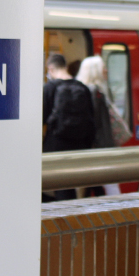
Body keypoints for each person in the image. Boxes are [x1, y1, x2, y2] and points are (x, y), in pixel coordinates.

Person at [42, 53, 95, 200]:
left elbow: (41, 118)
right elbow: (91, 121)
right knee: (69, 185)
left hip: (56, 145)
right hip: (79, 146)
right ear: (65, 66)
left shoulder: (49, 87)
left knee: (56, 187)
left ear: (50, 69)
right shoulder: (83, 87)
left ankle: (62, 220)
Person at [76, 56, 129, 196]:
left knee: (93, 186)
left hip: (92, 147)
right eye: (103, 68)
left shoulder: (83, 90)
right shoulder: (96, 92)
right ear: (95, 71)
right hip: (101, 147)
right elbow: (101, 124)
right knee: (111, 185)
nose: (106, 70)